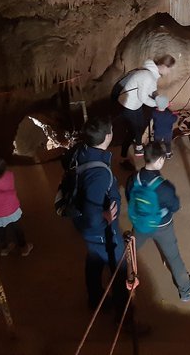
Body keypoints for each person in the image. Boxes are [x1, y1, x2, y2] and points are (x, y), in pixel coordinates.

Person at [125, 142, 190, 301]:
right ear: (159, 161)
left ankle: (130, 281)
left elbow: (130, 198)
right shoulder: (165, 187)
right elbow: (175, 206)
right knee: (174, 258)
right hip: (163, 226)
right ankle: (185, 291)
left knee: (131, 251)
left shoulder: (133, 178)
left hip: (140, 224)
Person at [72, 116, 128, 312]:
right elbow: (92, 208)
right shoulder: (99, 173)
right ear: (107, 137)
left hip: (86, 229)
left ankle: (95, 299)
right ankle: (124, 316)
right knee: (119, 268)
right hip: (102, 231)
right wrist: (103, 218)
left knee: (94, 259)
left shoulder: (83, 151)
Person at [115, 55, 176, 168]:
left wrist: (159, 99)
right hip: (128, 105)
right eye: (170, 68)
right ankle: (125, 157)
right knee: (132, 132)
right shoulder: (148, 76)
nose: (170, 71)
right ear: (163, 66)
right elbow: (143, 98)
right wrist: (159, 104)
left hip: (135, 104)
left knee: (140, 126)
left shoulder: (152, 74)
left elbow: (152, 90)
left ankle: (137, 146)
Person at [0, 159, 33, 257]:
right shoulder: (9, 175)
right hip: (12, 209)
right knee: (17, 229)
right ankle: (24, 248)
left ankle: (4, 249)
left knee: (0, 231)